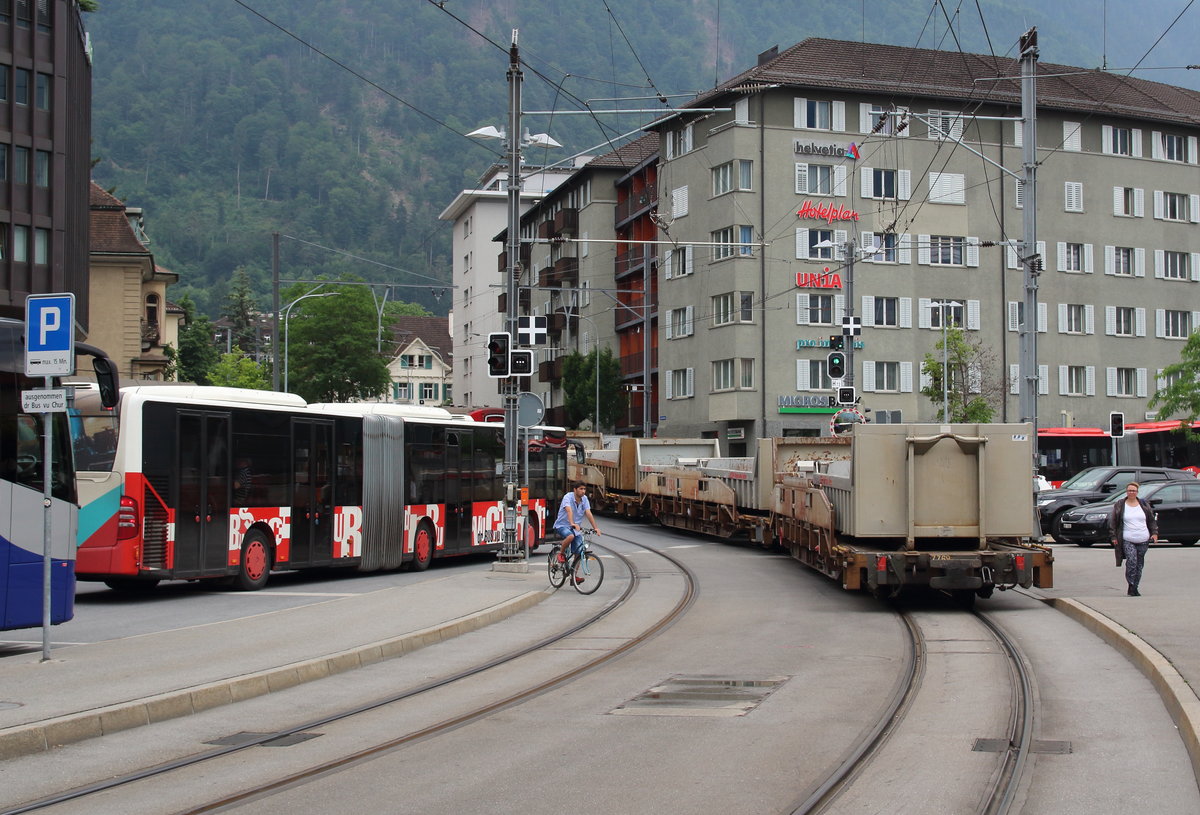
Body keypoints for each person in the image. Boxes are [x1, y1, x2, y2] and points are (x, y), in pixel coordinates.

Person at [1109, 482, 1158, 596]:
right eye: (1129, 490)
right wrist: (1114, 537)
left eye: (1134, 491)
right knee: (1131, 561)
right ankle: (1130, 584)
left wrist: (1154, 533)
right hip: (1128, 538)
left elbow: (1151, 520)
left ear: (1137, 492)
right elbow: (1113, 522)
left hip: (1143, 539)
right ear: (1126, 492)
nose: (1131, 492)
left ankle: (1135, 587)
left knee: (1139, 564)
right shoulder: (1120, 504)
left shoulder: (1143, 504)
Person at [554, 482, 601, 564]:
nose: (583, 491)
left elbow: (588, 513)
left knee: (579, 552)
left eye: (584, 489)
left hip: (575, 528)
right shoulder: (568, 497)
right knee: (570, 536)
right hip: (562, 525)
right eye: (581, 489)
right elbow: (569, 510)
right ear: (575, 490)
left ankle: (574, 575)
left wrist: (595, 528)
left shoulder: (585, 499)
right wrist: (572, 523)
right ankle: (560, 553)